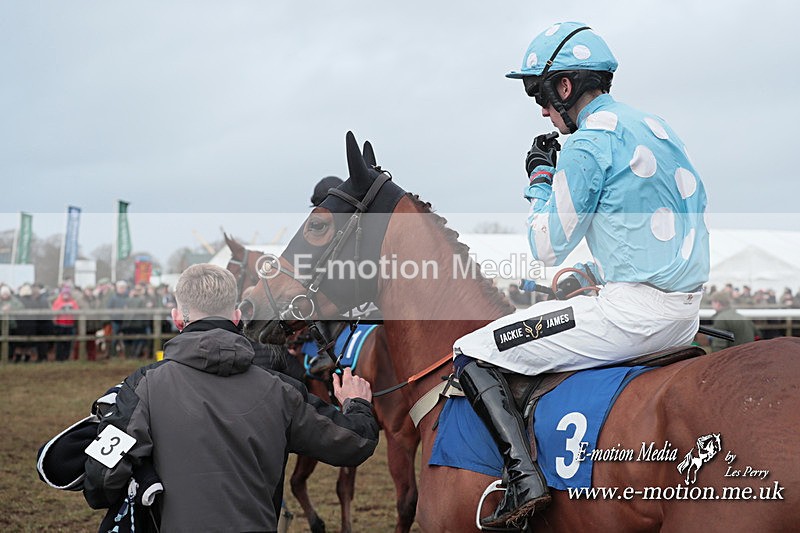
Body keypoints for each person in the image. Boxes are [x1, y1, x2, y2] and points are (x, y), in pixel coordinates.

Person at [452, 21, 710, 528]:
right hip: (685, 312)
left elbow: (545, 246)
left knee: (472, 352)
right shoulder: (657, 127)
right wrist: (598, 267)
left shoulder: (588, 144)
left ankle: (524, 482)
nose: (544, 113)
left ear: (564, 88)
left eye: (540, 99)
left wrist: (539, 180)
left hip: (633, 314)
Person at [83, 264, 379, 532]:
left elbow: (100, 481)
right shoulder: (282, 391)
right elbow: (355, 443)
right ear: (237, 316)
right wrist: (357, 403)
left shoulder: (141, 387)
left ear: (177, 319)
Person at [51, 287, 79, 361]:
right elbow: (54, 311)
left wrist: (72, 309)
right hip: (60, 324)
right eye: (64, 293)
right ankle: (59, 358)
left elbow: (77, 311)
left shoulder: (73, 302)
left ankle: (66, 357)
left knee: (68, 342)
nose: (66, 295)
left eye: (67, 294)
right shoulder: (58, 301)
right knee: (59, 342)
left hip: (70, 324)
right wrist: (61, 308)